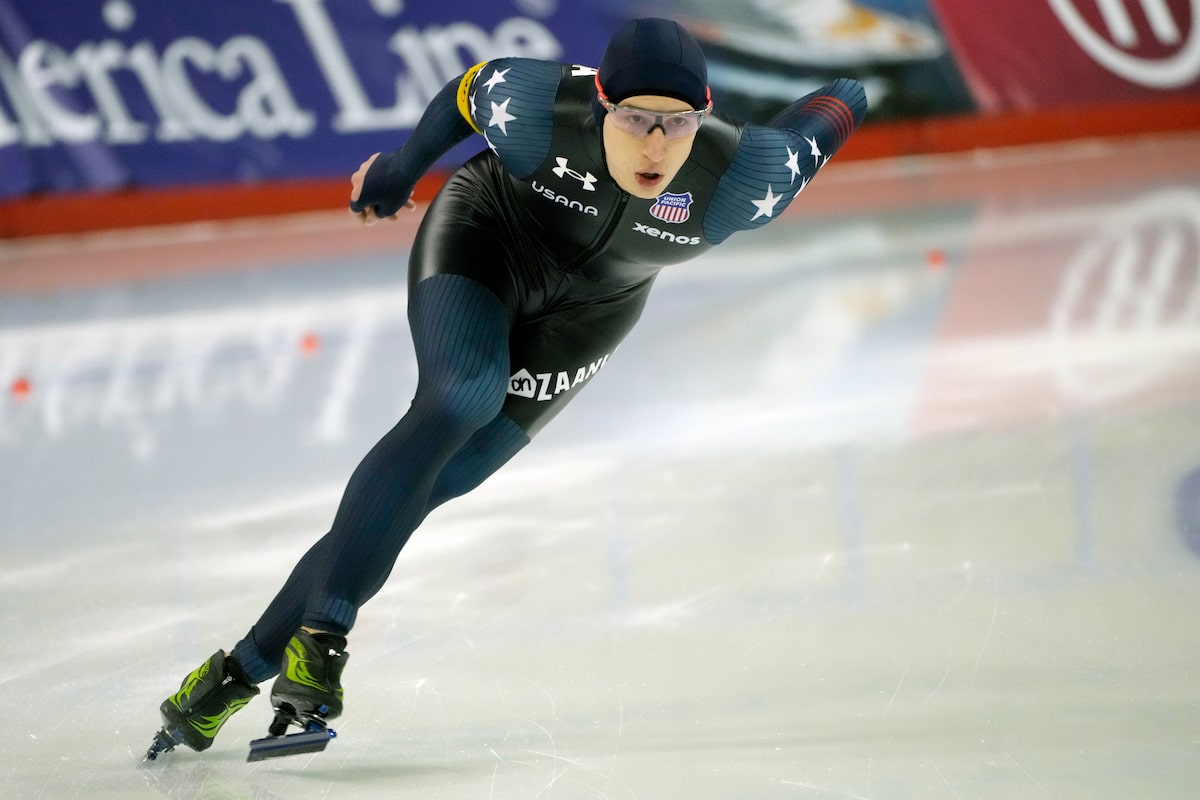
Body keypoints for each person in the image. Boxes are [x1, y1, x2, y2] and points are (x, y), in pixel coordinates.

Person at [148, 16, 867, 758]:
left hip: (594, 311)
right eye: (634, 119)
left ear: (704, 114)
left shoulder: (747, 176)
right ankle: (323, 636)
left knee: (437, 481)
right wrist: (401, 168)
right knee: (463, 394)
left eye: (677, 123)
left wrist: (769, 125)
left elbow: (845, 94)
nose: (655, 146)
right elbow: (465, 94)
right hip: (487, 237)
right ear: (600, 103)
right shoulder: (538, 108)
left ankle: (229, 678)